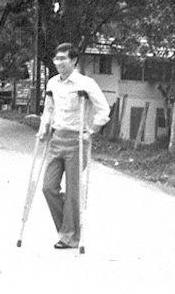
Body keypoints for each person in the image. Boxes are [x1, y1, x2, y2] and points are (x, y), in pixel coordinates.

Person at [37, 43, 109, 250]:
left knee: (72, 191)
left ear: (74, 60)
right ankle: (69, 231)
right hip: (56, 139)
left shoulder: (85, 83)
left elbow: (103, 109)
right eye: (56, 59)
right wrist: (43, 129)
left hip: (77, 141)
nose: (59, 63)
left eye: (63, 59)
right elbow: (48, 110)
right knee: (48, 188)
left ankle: (69, 236)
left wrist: (91, 130)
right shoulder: (52, 83)